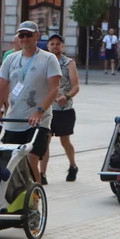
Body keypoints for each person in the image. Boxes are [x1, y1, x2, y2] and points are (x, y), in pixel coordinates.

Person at [0, 21, 61, 184]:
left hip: (38, 120)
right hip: (15, 118)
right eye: (22, 35)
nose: (25, 38)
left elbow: (54, 89)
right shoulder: (11, 59)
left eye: (28, 35)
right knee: (10, 160)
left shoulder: (48, 59)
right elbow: (0, 88)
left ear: (37, 36)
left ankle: (35, 194)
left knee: (31, 158)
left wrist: (39, 111)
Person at [40, 34, 80, 182]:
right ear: (48, 46)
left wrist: (67, 96)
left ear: (62, 46)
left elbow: (76, 86)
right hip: (47, 109)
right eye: (52, 44)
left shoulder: (69, 63)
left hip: (64, 109)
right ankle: (42, 173)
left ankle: (73, 165)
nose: (55, 46)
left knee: (65, 141)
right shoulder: (43, 61)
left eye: (58, 44)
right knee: (46, 141)